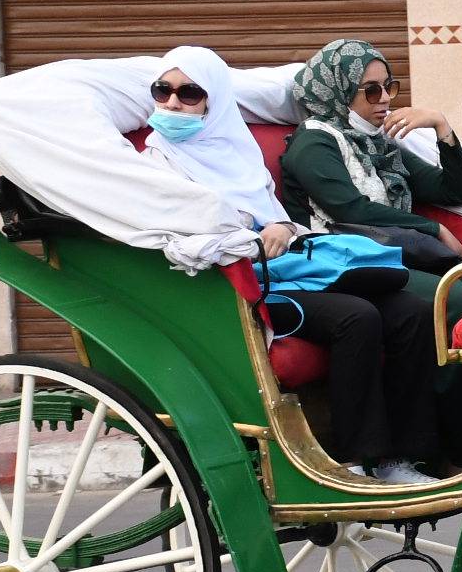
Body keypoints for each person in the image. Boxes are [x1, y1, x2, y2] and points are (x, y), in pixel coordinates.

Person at [142, 47, 441, 487]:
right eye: (162, 91)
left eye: (189, 93)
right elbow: (176, 233)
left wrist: (280, 225)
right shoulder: (156, 162)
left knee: (409, 311)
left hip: (288, 269)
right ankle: (354, 458)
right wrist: (248, 238)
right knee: (355, 317)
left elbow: (272, 210)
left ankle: (405, 458)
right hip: (233, 286)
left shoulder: (236, 150)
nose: (172, 104)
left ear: (213, 102)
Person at [278, 38, 462, 319]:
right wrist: (433, 229)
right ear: (340, 91)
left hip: (403, 254)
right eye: (372, 91)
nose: (387, 98)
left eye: (389, 86)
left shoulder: (379, 143)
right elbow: (352, 210)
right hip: (348, 259)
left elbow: (457, 191)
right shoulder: (314, 142)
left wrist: (442, 127)